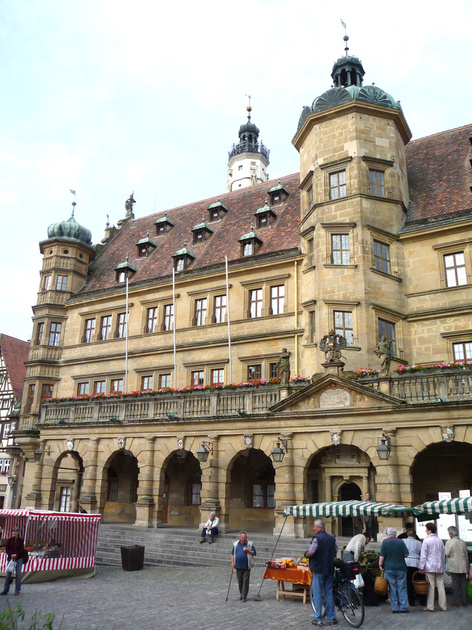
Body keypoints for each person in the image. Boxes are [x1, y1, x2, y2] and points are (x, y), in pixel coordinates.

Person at [306, 518, 338, 627]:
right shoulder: (332, 538)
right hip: (329, 568)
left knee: (318, 594)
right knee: (329, 593)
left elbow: (311, 552)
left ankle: (318, 619)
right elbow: (335, 550)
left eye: (315, 527)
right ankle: (331, 617)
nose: (314, 528)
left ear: (320, 528)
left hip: (319, 569)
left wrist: (306, 554)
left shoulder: (317, 539)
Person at [378, 527, 409, 613]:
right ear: (395, 534)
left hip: (389, 567)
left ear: (388, 534)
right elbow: (406, 555)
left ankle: (395, 608)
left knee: (392, 588)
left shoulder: (385, 542)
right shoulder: (401, 541)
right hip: (401, 567)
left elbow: (382, 556)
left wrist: (380, 565)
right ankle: (403, 607)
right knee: (402, 587)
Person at [419, 522, 446, 612]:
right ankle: (443, 605)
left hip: (429, 566)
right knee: (441, 585)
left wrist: (421, 567)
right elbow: (443, 555)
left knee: (431, 586)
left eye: (426, 530)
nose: (426, 531)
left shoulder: (426, 540)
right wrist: (443, 566)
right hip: (439, 566)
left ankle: (430, 606)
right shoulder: (440, 541)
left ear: (430, 531)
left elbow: (423, 555)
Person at [445, 525, 469, 607]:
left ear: (451, 534)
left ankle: (457, 601)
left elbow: (447, 554)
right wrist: (467, 567)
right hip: (463, 565)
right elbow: (466, 555)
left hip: (454, 566)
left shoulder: (449, 542)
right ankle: (464, 601)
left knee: (455, 583)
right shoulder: (462, 542)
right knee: (463, 583)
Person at [231, 531, 256, 602]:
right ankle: (241, 593)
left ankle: (244, 596)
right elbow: (232, 554)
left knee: (246, 581)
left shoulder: (249, 544)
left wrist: (248, 551)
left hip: (247, 566)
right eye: (242, 537)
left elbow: (254, 553)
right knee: (240, 581)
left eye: (244, 537)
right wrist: (232, 562)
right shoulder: (236, 544)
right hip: (238, 566)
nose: (243, 538)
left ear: (246, 537)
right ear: (239, 538)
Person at [403, 528, 425, 607]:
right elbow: (422, 554)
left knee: (408, 583)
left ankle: (411, 601)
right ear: (415, 535)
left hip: (406, 563)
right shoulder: (419, 543)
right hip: (416, 563)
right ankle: (422, 601)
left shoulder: (403, 541)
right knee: (417, 583)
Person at [1, 527, 24, 596]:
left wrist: (16, 554)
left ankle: (17, 590)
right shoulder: (9, 540)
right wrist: (11, 555)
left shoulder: (20, 540)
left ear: (18, 533)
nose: (14, 533)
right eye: (13, 531)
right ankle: (5, 590)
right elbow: (7, 549)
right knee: (8, 575)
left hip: (18, 559)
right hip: (10, 559)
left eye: (15, 531)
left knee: (18, 575)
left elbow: (22, 549)